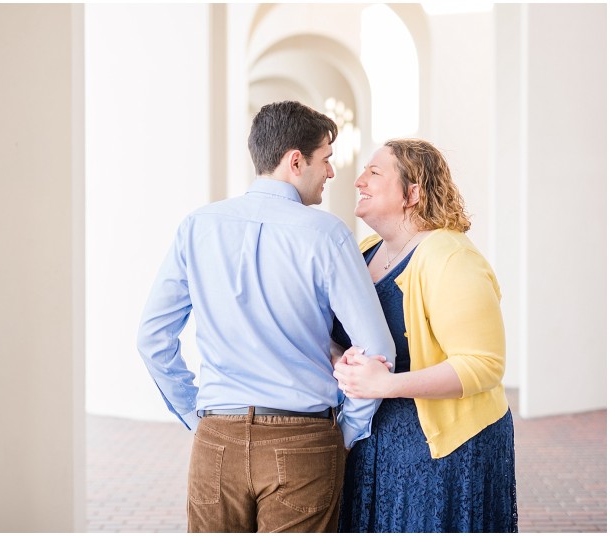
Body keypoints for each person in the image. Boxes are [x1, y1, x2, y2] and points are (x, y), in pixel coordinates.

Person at [137, 100, 396, 533]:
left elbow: (152, 339)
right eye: (326, 160)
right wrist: (346, 432)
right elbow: (378, 351)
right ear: (296, 161)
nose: (332, 173)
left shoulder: (197, 226)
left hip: (216, 439)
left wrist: (195, 416)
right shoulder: (327, 234)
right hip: (304, 442)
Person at [331, 138, 518, 533]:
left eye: (374, 173)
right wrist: (339, 360)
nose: (358, 181)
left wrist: (387, 384)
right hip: (374, 445)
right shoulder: (366, 251)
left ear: (412, 192)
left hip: (443, 454)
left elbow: (483, 365)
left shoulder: (450, 256)